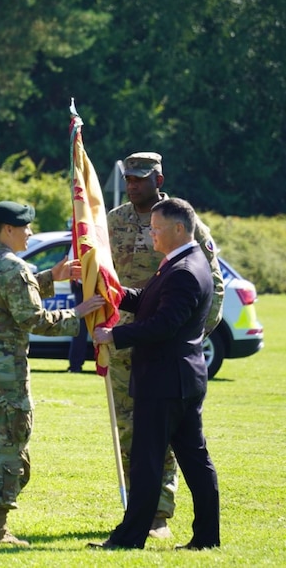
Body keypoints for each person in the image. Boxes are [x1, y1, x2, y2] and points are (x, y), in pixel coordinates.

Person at [0, 201, 104, 544]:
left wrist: (51, 276)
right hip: (3, 374)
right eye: (26, 228)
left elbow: (3, 294)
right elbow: (33, 319)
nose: (30, 234)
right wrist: (78, 313)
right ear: (8, 229)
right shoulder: (14, 268)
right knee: (8, 447)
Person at [91, 198, 220, 550]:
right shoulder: (180, 264)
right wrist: (114, 294)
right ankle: (207, 538)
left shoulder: (184, 271)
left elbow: (163, 325)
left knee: (148, 464)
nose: (151, 235)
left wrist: (114, 335)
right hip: (178, 380)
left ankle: (129, 539)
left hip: (166, 382)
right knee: (195, 460)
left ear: (179, 229)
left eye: (157, 228)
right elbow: (149, 301)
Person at [67, 279, 89, 372]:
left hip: (83, 284)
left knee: (80, 330)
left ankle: (75, 365)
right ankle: (75, 364)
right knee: (80, 330)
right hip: (84, 284)